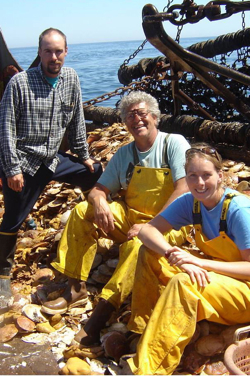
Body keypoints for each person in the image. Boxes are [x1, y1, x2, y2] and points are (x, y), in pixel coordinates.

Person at [41, 90, 191, 345]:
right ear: (125, 124)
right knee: (81, 211)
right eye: (130, 116)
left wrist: (151, 226)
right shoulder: (124, 154)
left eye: (142, 113)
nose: (137, 119)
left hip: (170, 224)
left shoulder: (173, 144)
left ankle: (102, 312)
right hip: (131, 218)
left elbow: (184, 188)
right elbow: (99, 190)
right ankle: (75, 286)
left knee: (139, 243)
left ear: (155, 117)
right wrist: (99, 202)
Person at [126, 143, 250, 375]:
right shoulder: (191, 202)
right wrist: (173, 254)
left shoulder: (238, 210)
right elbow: (147, 231)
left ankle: (148, 368)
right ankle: (143, 327)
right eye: (193, 176)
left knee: (184, 283)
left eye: (206, 175)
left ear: (220, 175)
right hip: (221, 278)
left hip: (246, 292)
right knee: (150, 252)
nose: (200, 183)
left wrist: (199, 263)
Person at [0, 28, 102, 309]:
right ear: (39, 53)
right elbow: (5, 127)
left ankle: (95, 222)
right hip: (25, 161)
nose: (54, 57)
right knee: (13, 220)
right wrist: (11, 169)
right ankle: (2, 277)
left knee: (94, 173)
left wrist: (84, 155)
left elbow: (77, 121)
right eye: (48, 51)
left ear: (66, 51)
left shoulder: (71, 78)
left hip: (54, 159)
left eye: (58, 51)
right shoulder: (20, 83)